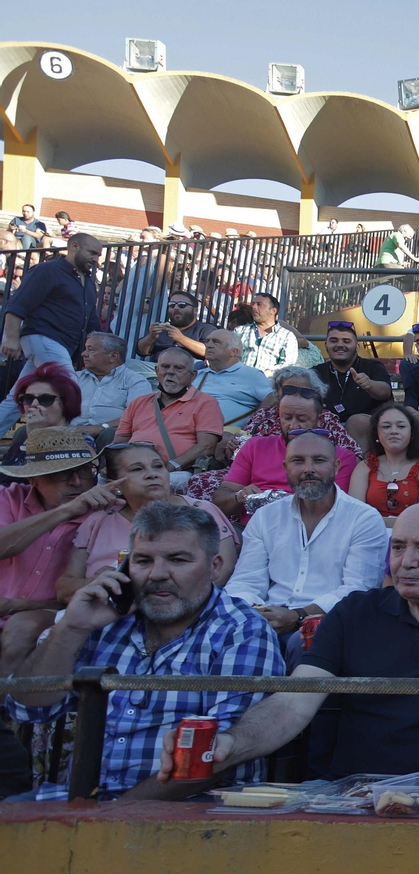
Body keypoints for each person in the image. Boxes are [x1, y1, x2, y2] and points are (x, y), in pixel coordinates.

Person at [157, 502, 419, 793]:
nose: (407, 562)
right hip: (347, 795)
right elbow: (294, 702)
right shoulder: (354, 612)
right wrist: (229, 743)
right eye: (398, 547)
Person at [7, 502, 282, 800]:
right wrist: (71, 627)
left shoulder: (241, 630)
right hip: (85, 802)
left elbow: (215, 758)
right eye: (143, 561)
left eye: (177, 560)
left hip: (192, 813)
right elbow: (28, 707)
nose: (157, 574)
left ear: (215, 567)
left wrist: (116, 816)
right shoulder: (105, 620)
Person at [224, 429, 387, 640]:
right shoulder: (265, 517)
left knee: (302, 641)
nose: (308, 469)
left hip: (330, 623)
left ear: (336, 467)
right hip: (266, 620)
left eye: (319, 461)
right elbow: (246, 581)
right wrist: (253, 614)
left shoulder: (364, 519)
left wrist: (298, 615)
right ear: (286, 468)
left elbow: (358, 590)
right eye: (298, 461)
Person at [0, 428, 125, 674]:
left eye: (85, 470)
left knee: (21, 629)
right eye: (63, 474)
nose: (77, 482)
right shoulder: (9, 497)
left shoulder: (112, 513)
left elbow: (102, 593)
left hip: (56, 613)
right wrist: (63, 512)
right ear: (33, 478)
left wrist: (18, 606)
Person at [57, 443, 239, 600]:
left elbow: (222, 573)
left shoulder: (202, 511)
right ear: (116, 485)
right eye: (137, 469)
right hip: (106, 617)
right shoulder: (99, 520)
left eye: (158, 466)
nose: (152, 474)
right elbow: (64, 588)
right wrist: (94, 583)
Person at [0, 232, 102, 437]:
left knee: (16, 397)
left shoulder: (88, 282)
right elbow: (17, 305)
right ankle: (72, 439)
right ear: (74, 247)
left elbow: (91, 322)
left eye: (98, 255)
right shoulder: (48, 271)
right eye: (92, 253)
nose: (96, 259)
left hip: (58, 344)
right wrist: (10, 338)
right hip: (43, 337)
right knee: (70, 386)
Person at [212, 380, 358, 520]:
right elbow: (221, 500)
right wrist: (239, 496)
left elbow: (338, 509)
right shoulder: (255, 446)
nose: (293, 425)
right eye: (287, 418)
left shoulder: (341, 457)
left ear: (320, 420)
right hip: (251, 530)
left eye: (301, 419)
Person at [113, 348, 224, 474]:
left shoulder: (206, 403)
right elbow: (119, 442)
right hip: (133, 469)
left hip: (178, 471)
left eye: (179, 368)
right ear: (157, 371)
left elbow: (206, 447)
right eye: (165, 367)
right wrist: (113, 465)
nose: (170, 372)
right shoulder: (138, 402)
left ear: (192, 375)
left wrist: (171, 466)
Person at [313, 321, 393, 445]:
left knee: (356, 422)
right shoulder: (316, 372)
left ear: (357, 347)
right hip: (327, 428)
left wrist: (370, 385)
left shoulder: (372, 366)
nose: (339, 345)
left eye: (346, 341)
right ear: (326, 345)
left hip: (366, 429)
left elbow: (385, 392)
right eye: (334, 340)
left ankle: (360, 463)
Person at [347, 402, 419, 522]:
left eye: (401, 426)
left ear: (412, 433)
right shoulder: (364, 467)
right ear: (376, 434)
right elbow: (354, 515)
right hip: (371, 536)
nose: (393, 431)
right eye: (386, 426)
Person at [195, 330, 272, 427]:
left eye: (216, 342)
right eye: (207, 341)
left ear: (233, 352)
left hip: (228, 434)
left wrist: (253, 424)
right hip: (188, 430)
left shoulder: (251, 375)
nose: (208, 345)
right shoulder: (197, 374)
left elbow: (273, 397)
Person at [134, 291, 218, 361]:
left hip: (190, 372)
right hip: (156, 370)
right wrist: (151, 337)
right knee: (130, 364)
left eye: (182, 305)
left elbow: (209, 350)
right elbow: (141, 351)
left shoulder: (205, 329)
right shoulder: (161, 328)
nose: (176, 308)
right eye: (172, 305)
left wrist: (181, 338)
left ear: (195, 310)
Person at [233, 292, 299, 378]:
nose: (253, 307)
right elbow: (228, 356)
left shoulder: (286, 336)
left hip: (269, 384)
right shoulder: (240, 331)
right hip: (238, 380)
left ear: (273, 311)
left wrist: (265, 374)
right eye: (253, 304)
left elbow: (288, 365)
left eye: (259, 304)